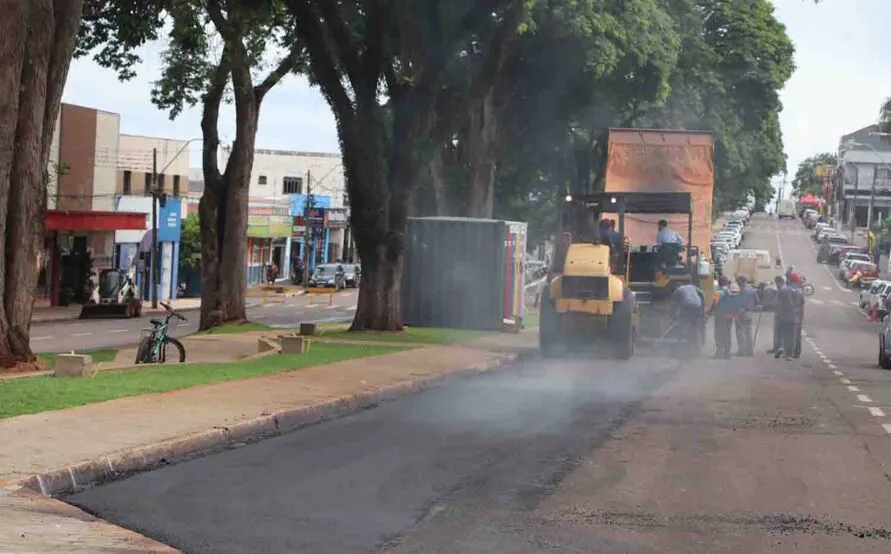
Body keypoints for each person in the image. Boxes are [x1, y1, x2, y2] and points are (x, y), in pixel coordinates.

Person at [710, 276, 744, 359]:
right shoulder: (730, 292)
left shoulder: (717, 292)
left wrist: (709, 311)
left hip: (720, 316)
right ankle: (727, 352)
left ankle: (719, 352)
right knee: (727, 333)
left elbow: (714, 304)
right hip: (729, 315)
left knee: (719, 333)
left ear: (719, 283)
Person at [775, 272, 805, 360]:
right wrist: (801, 319)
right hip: (794, 318)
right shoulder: (800, 293)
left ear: (789, 280)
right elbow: (801, 308)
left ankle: (780, 347)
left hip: (783, 316)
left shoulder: (783, 290)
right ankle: (789, 354)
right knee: (792, 336)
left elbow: (777, 303)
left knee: (781, 333)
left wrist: (777, 313)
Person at [671, 283, 706, 354]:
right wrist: (703, 306)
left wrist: (673, 317)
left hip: (687, 306)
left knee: (682, 325)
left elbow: (673, 306)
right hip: (697, 306)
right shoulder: (691, 286)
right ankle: (696, 348)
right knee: (694, 327)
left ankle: (680, 346)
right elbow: (702, 293)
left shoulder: (676, 291)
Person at [734, 275, 759, 356]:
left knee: (740, 332)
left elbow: (742, 304)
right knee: (749, 332)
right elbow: (757, 300)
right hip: (750, 312)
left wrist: (737, 315)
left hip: (743, 313)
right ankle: (750, 351)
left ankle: (742, 351)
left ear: (741, 281)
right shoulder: (751, 289)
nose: (737, 283)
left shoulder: (743, 291)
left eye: (738, 281)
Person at [766, 275, 786, 355]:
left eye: (777, 282)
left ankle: (781, 347)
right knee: (777, 331)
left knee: (781, 331)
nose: (776, 284)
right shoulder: (779, 289)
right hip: (778, 313)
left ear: (780, 282)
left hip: (782, 313)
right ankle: (776, 347)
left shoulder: (784, 290)